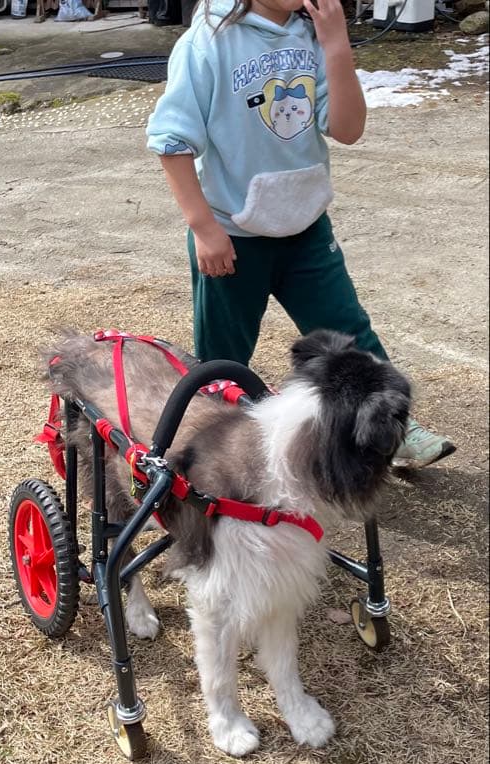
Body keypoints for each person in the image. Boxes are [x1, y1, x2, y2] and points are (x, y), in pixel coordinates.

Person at [146, 0, 456, 467]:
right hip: (234, 234)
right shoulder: (207, 41)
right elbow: (171, 140)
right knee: (222, 360)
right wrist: (204, 227)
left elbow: (348, 129)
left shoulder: (312, 33)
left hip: (306, 225)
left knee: (349, 331)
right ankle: (208, 453)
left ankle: (394, 430)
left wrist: (336, 44)